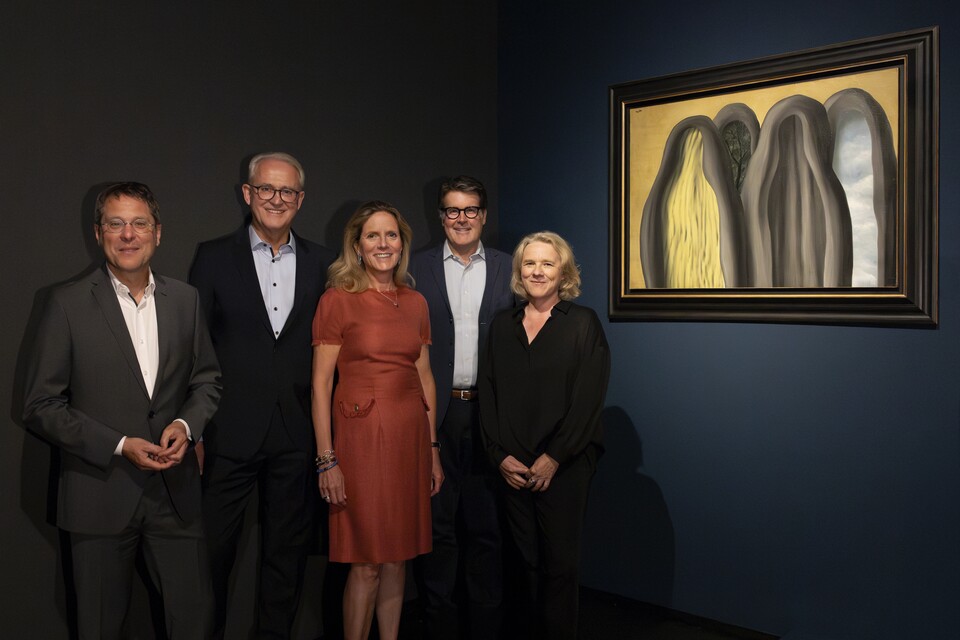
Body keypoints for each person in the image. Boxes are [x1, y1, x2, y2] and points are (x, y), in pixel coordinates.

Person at [22, 182, 221, 640]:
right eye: (116, 224)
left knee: (194, 623)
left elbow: (208, 379)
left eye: (139, 223)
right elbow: (40, 404)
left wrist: (185, 425)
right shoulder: (65, 304)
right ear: (98, 233)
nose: (128, 234)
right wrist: (118, 445)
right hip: (99, 495)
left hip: (176, 495)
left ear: (157, 233)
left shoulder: (186, 300)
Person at [189, 152, 335, 639]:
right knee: (211, 560)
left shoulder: (322, 263)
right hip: (227, 432)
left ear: (301, 199)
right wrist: (194, 427)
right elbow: (193, 349)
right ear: (248, 193)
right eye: (267, 189)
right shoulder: (211, 257)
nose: (277, 199)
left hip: (296, 434)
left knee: (286, 563)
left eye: (287, 191)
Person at [311, 201, 443, 640]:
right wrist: (327, 460)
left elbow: (425, 377)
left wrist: (433, 449)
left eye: (391, 236)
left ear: (402, 244)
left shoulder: (416, 301)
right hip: (361, 441)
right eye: (373, 236)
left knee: (398, 558)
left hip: (410, 439)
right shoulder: (337, 300)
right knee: (366, 562)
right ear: (357, 245)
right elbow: (320, 386)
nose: (383, 244)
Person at [479, 231, 610, 640]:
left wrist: (554, 457)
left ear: (564, 271)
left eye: (547, 263)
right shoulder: (503, 325)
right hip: (513, 468)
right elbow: (489, 393)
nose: (537, 271)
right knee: (521, 565)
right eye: (530, 263)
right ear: (519, 271)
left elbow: (588, 400)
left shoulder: (583, 324)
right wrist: (499, 455)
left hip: (565, 466)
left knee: (559, 567)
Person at [409, 175, 515, 639]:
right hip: (437, 412)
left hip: (490, 416)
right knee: (439, 527)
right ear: (441, 217)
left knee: (488, 529)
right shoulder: (415, 268)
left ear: (484, 216)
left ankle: (486, 628)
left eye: (470, 210)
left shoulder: (512, 268)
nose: (462, 219)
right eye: (452, 210)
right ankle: (439, 625)